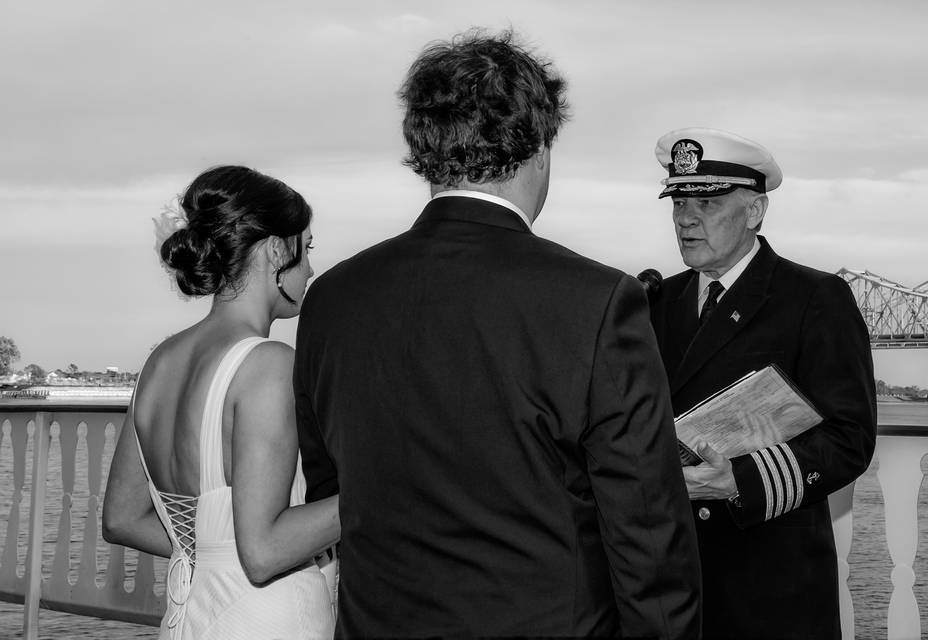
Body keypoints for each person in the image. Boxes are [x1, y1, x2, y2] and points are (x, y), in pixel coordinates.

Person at [293, 30, 701, 638]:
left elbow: (334, 490)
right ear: (538, 146)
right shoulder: (596, 301)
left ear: (426, 149)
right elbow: (645, 530)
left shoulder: (333, 297)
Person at [648, 127, 877, 639]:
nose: (685, 218)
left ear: (754, 212)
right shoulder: (656, 301)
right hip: (671, 581)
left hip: (771, 585)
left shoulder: (815, 298)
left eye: (706, 204)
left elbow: (850, 438)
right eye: (679, 201)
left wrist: (739, 480)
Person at [103, 166, 340, 640]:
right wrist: (383, 492)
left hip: (189, 615)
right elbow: (265, 552)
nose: (311, 268)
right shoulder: (266, 364)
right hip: (266, 620)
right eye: (306, 248)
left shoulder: (159, 363)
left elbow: (122, 519)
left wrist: (213, 553)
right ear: (277, 248)